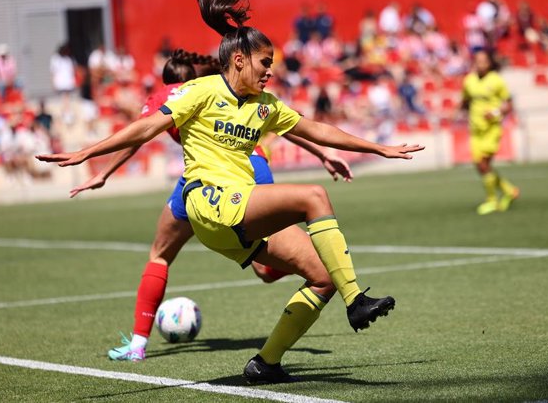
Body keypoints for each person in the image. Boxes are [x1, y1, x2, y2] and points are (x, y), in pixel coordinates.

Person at [37, 0, 423, 384]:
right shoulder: (200, 92)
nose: (269, 74)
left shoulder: (265, 105)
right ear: (239, 60)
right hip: (207, 201)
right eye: (264, 64)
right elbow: (145, 129)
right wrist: (87, 153)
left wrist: (379, 148)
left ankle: (266, 363)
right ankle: (357, 301)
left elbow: (314, 129)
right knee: (313, 196)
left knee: (321, 277)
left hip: (234, 217)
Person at [68, 49, 354, 362]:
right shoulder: (218, 88)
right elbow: (283, 123)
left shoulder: (169, 94)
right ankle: (309, 271)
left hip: (208, 182)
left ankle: (137, 344)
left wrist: (104, 172)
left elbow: (140, 135)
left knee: (160, 254)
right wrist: (323, 154)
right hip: (252, 166)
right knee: (264, 266)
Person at [460, 50, 519, 215]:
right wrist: (459, 113)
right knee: (481, 166)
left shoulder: (497, 81)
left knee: (484, 163)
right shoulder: (469, 81)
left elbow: (508, 105)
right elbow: (464, 101)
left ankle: (492, 200)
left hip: (491, 129)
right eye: (477, 61)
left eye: (484, 61)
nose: (480, 64)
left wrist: (494, 113)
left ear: (489, 63)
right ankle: (509, 190)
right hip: (475, 130)